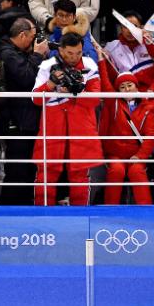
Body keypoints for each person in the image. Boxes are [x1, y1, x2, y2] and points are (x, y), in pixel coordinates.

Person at [31, 31, 102, 206]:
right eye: (70, 53)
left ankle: (81, 219)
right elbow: (35, 99)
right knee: (46, 173)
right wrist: (50, 85)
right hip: (53, 127)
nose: (74, 57)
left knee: (79, 174)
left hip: (81, 127)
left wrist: (75, 93)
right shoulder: (48, 65)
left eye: (78, 52)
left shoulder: (90, 65)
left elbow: (95, 99)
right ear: (61, 50)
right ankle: (42, 217)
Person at [0, 17, 46, 205]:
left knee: (28, 171)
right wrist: (38, 55)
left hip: (28, 121)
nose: (35, 42)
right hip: (16, 123)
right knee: (17, 172)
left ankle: (26, 213)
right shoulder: (7, 53)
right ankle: (8, 217)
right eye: (33, 37)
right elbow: (26, 77)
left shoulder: (19, 52)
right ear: (22, 35)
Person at [97, 70, 154, 205]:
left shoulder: (147, 107)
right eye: (122, 87)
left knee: (137, 171)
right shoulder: (114, 104)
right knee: (116, 170)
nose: (127, 89)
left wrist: (140, 156)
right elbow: (106, 86)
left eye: (129, 85)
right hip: (116, 154)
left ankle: (146, 211)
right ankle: (109, 211)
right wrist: (101, 61)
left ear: (136, 86)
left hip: (136, 154)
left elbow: (151, 136)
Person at [28, 0, 99, 28]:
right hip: (47, 29)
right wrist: (47, 18)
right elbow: (34, 1)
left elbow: (90, 9)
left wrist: (66, 18)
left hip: (75, 34)